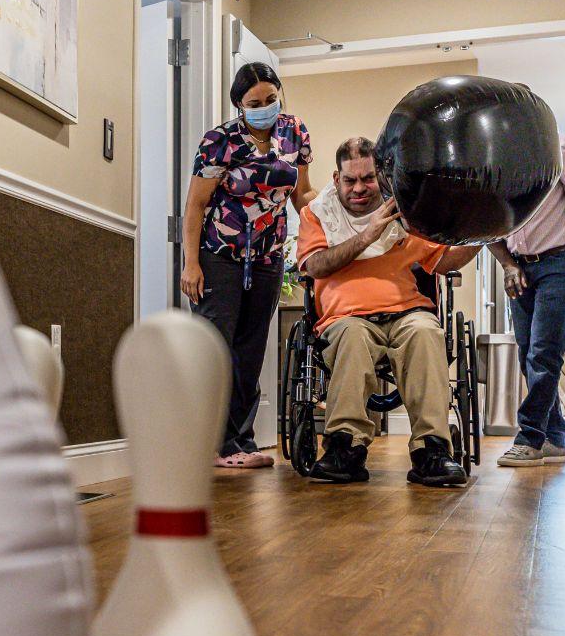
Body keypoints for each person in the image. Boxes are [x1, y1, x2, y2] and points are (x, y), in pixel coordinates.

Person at [296, 138, 482, 487]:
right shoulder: (317, 214)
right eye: (350, 180)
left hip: (406, 311)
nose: (360, 188)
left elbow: (444, 260)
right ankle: (344, 448)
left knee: (426, 333)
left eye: (368, 178)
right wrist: (368, 235)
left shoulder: (403, 211)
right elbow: (316, 266)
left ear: (380, 175)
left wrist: (482, 233)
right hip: (345, 317)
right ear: (336, 179)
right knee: (351, 337)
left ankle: (432, 450)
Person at [181, 61, 315, 469]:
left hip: (268, 258)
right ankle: (211, 442)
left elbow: (302, 195)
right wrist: (191, 264)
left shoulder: (295, 132)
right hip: (218, 256)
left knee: (252, 350)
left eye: (271, 99)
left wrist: (334, 217)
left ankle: (239, 442)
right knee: (216, 347)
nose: (264, 107)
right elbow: (196, 206)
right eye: (254, 102)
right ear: (239, 104)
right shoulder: (219, 141)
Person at [487, 135, 565, 467]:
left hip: (561, 262)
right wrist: (508, 265)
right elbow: (487, 226)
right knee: (528, 355)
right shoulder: (493, 160)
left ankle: (530, 437)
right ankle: (555, 435)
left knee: (543, 353)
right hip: (520, 266)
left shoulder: (563, 149)